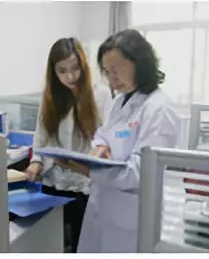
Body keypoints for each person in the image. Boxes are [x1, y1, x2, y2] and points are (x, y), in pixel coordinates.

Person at [67, 30, 180, 253]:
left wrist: (90, 170)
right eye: (106, 72)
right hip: (104, 206)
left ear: (140, 63)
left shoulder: (158, 109)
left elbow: (141, 172)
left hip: (132, 218)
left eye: (116, 70)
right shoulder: (120, 101)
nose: (111, 78)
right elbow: (103, 133)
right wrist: (100, 148)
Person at [25, 38, 111, 252]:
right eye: (62, 71)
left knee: (82, 245)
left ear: (83, 65)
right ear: (53, 72)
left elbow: (107, 137)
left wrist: (97, 155)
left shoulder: (100, 94)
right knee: (53, 243)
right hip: (54, 182)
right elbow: (41, 135)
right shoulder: (50, 97)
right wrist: (36, 162)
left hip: (84, 184)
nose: (70, 77)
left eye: (74, 68)